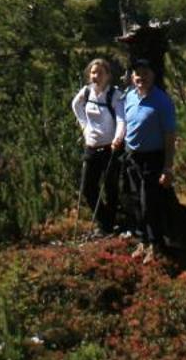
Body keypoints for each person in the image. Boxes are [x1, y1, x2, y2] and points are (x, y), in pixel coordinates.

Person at [120, 58, 178, 256]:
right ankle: (143, 240)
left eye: (145, 73)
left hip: (153, 158)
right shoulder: (129, 96)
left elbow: (170, 135)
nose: (140, 77)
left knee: (149, 202)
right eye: (137, 74)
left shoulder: (162, 101)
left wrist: (168, 167)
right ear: (132, 77)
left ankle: (155, 243)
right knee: (136, 200)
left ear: (153, 75)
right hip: (132, 156)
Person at [71, 58, 125, 233]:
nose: (96, 76)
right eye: (93, 72)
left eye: (100, 73)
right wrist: (84, 127)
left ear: (108, 75)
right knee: (88, 188)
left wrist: (118, 138)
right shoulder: (86, 92)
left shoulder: (114, 95)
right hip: (91, 146)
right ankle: (104, 220)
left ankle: (108, 225)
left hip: (111, 148)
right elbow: (75, 105)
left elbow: (121, 119)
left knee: (111, 188)